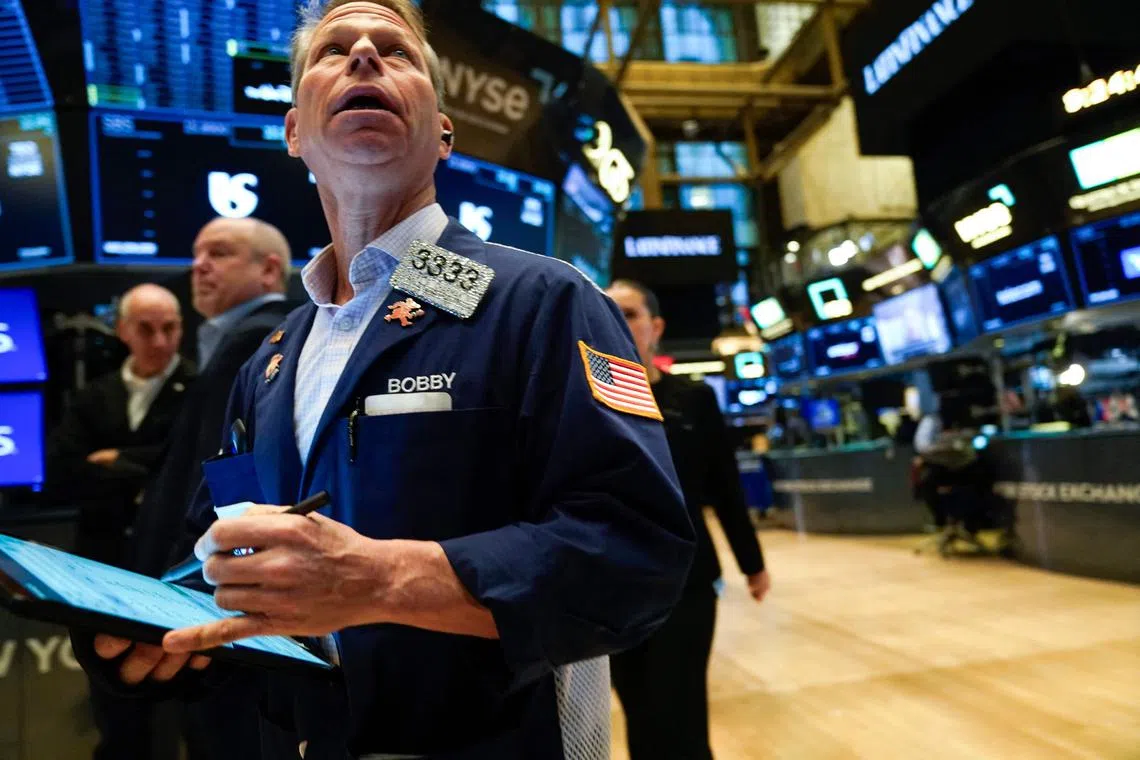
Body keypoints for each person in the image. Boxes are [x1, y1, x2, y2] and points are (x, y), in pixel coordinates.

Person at [75, 2, 694, 758]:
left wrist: (382, 580)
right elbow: (227, 557)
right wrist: (151, 630)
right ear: (294, 132)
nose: (365, 53)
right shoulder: (268, 360)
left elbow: (637, 555)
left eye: (396, 52)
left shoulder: (540, 302)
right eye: (332, 50)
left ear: (443, 133)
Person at [127, 217, 295, 760]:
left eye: (219, 253)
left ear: (269, 269)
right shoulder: (251, 338)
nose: (198, 266)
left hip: (212, 600)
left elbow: (219, 482)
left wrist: (170, 594)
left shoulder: (256, 339)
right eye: (197, 254)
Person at [604, 279, 770, 760]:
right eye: (609, 313)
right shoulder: (585, 397)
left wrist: (752, 564)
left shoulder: (694, 399)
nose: (619, 323)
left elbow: (725, 488)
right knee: (639, 713)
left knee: (680, 714)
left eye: (630, 313)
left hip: (687, 581)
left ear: (656, 327)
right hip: (611, 581)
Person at [45, 283, 195, 760]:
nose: (160, 340)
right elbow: (64, 472)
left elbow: (189, 470)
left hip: (172, 567)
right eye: (146, 329)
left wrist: (116, 459)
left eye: (169, 328)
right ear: (123, 330)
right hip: (101, 564)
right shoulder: (94, 395)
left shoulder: (199, 389)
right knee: (113, 700)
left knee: (185, 703)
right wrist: (146, 469)